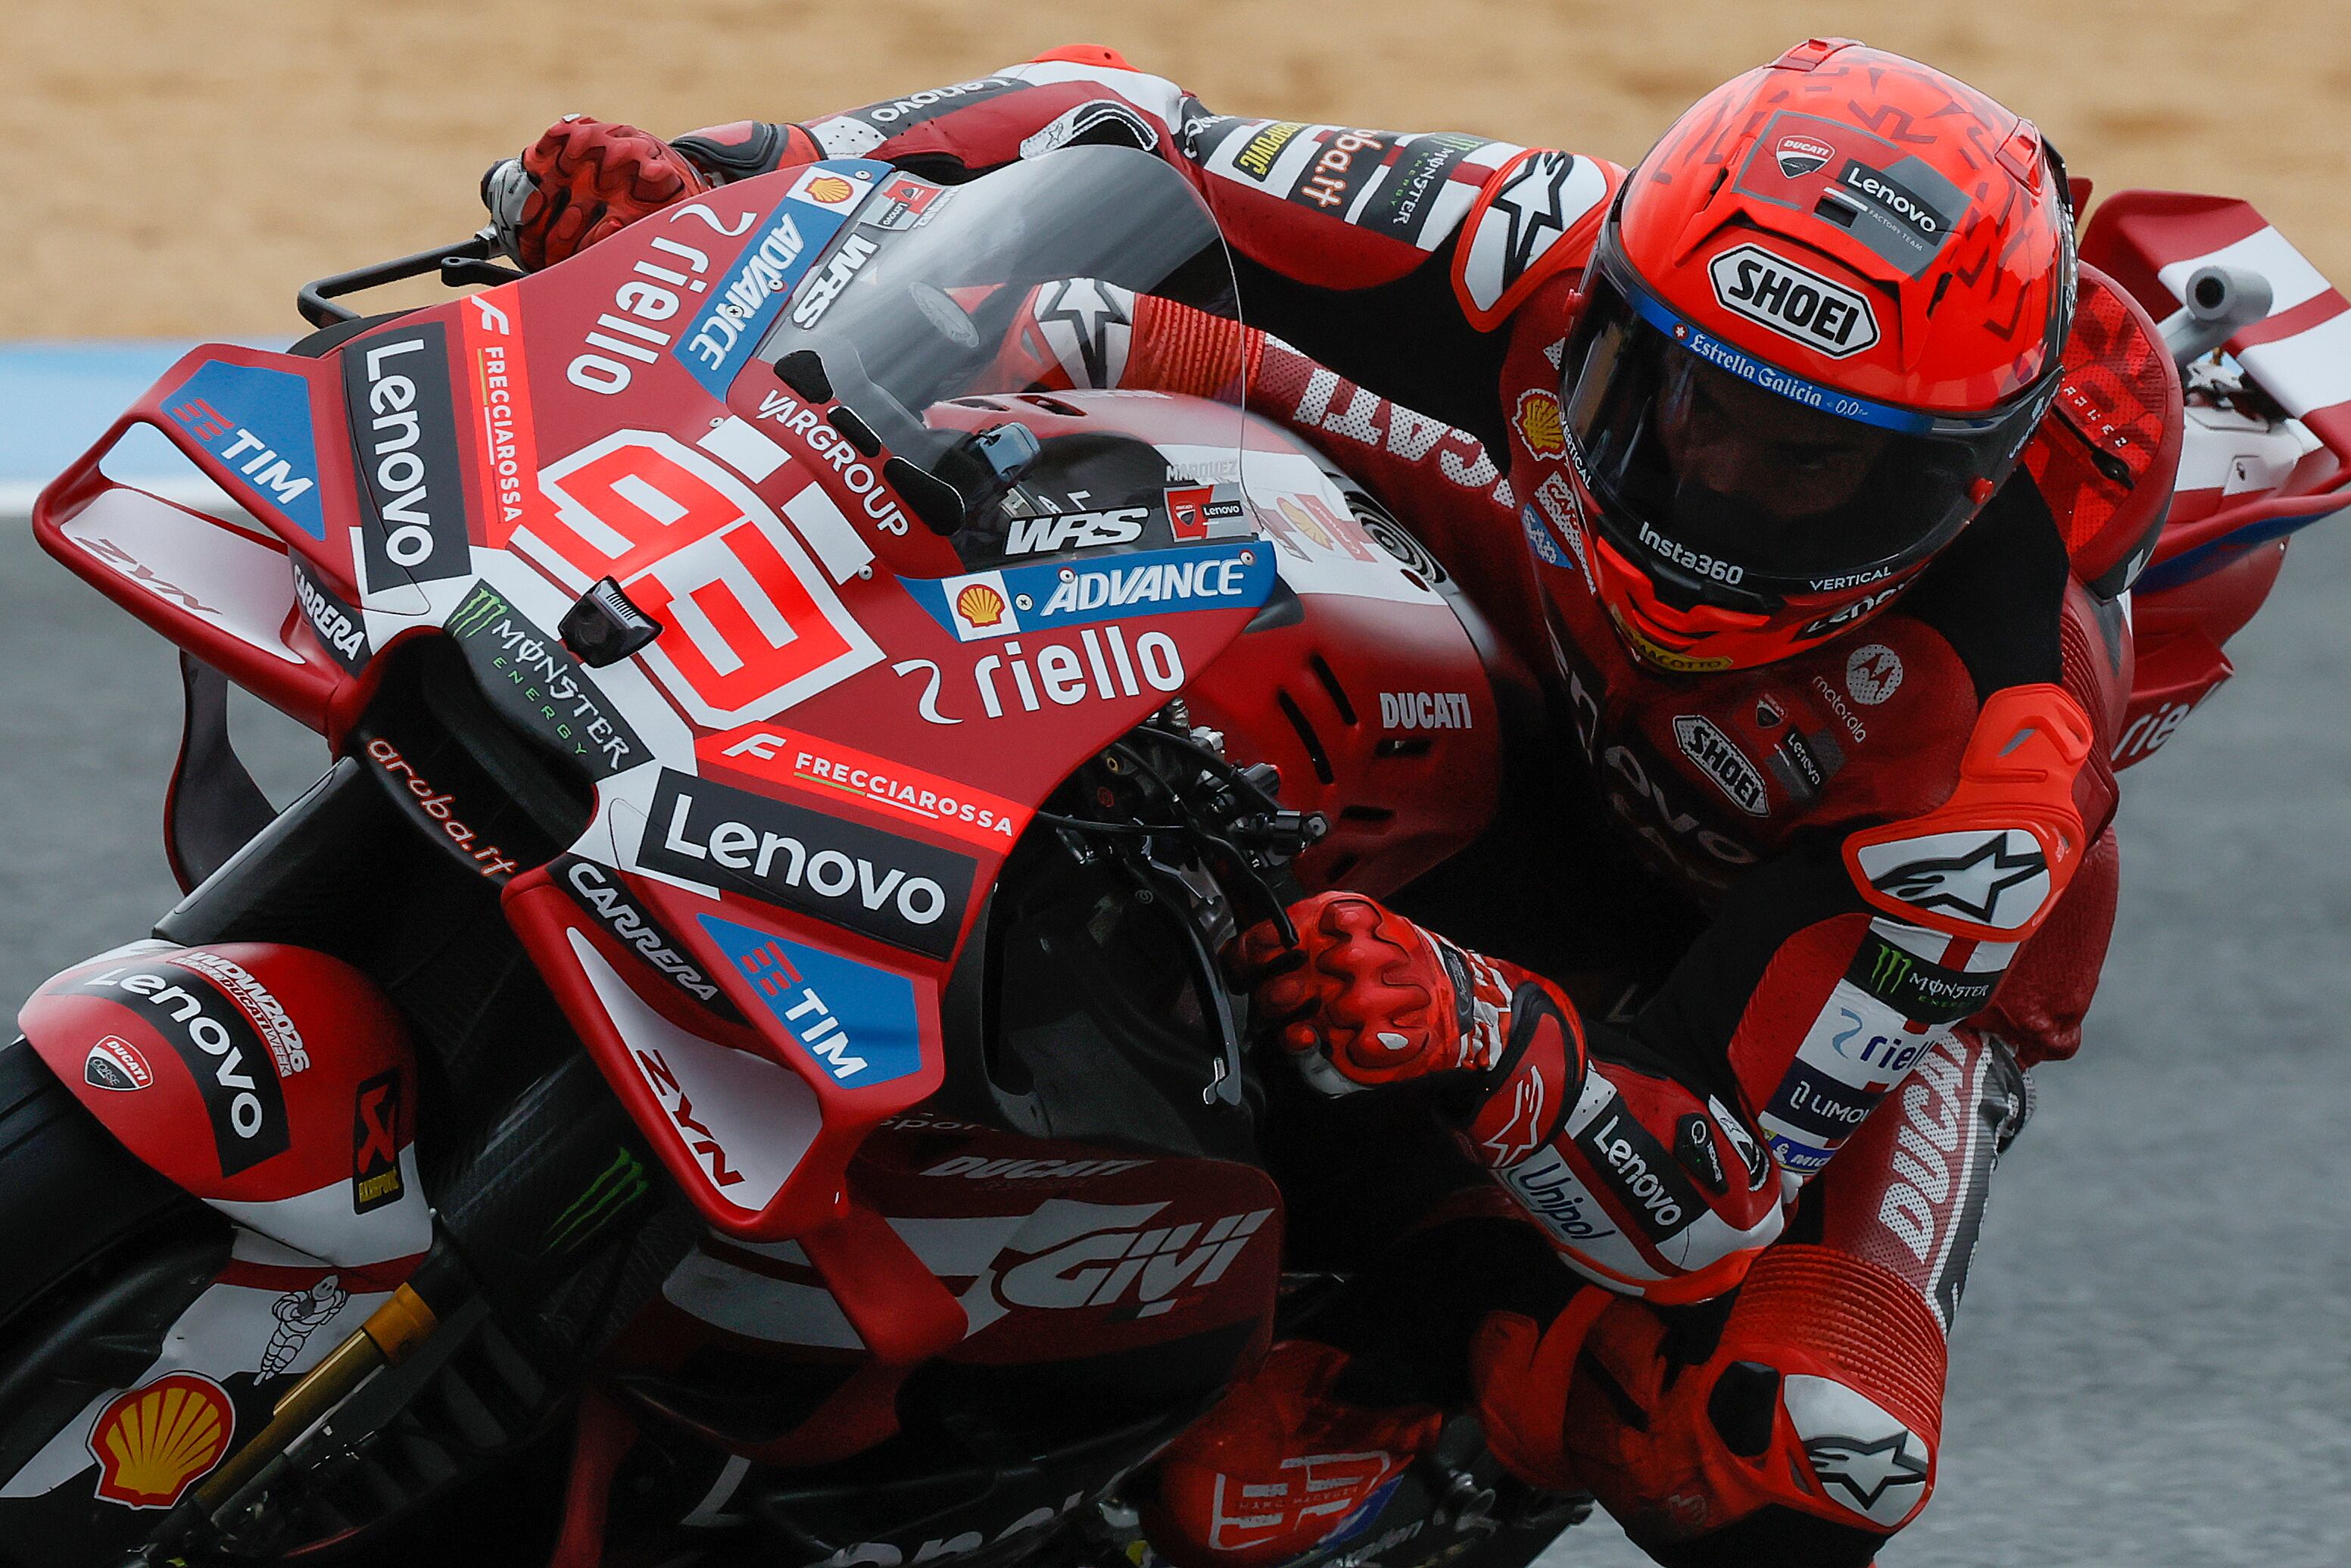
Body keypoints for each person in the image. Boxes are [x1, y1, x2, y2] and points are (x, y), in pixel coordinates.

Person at [481, 38, 2175, 1566]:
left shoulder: (1986, 764)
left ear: (1952, 485)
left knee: (1804, 1456)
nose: (1714, 485)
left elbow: (1713, 1182)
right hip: (1515, 620)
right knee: (1062, 347)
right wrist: (732, 174)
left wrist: (1488, 1031)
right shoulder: (1540, 234)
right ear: (1608, 307)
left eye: (1810, 463)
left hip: (1774, 964)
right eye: (1674, 406)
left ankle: (1447, 1383)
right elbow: (1119, 123)